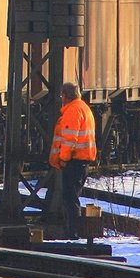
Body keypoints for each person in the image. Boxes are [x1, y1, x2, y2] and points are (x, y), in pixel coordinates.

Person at [49, 82, 98, 240]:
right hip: (81, 161)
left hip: (74, 161)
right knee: (72, 196)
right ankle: (73, 230)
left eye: (61, 96)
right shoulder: (83, 107)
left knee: (70, 198)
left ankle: (72, 232)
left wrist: (63, 159)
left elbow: (70, 139)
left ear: (65, 95)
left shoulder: (73, 111)